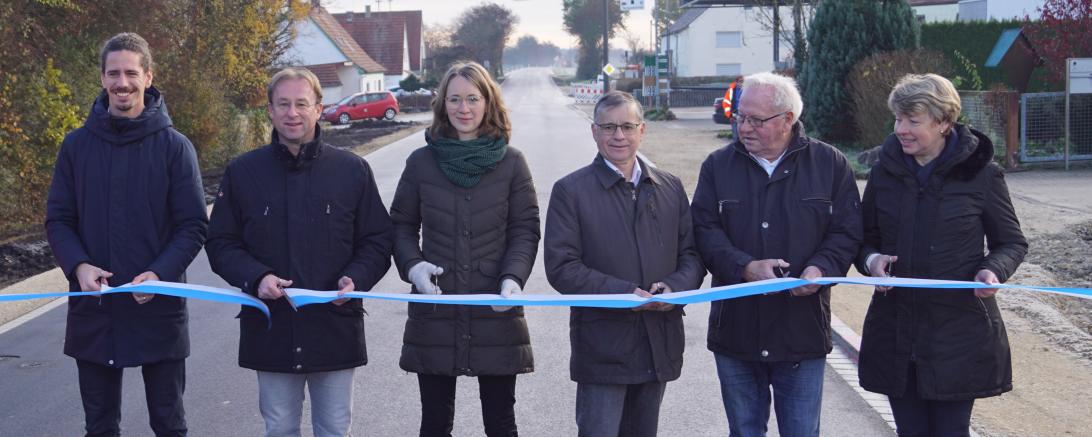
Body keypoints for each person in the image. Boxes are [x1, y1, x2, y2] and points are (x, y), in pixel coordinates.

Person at [205, 67, 393, 437]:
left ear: (319, 108)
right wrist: (256, 278)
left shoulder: (352, 170)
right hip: (271, 328)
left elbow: (377, 239)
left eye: (301, 104)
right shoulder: (243, 172)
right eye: (283, 104)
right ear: (270, 111)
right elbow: (221, 243)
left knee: (335, 429)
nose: (293, 113)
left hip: (335, 327)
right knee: (279, 428)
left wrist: (357, 278)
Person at [45, 32, 208, 437]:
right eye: (113, 73)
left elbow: (192, 225)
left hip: (159, 309)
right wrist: (79, 266)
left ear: (148, 77)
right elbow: (59, 219)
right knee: (99, 426)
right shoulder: (76, 147)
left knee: (169, 424)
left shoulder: (175, 147)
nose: (123, 83)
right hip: (95, 310)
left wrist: (160, 273)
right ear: (102, 78)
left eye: (131, 73)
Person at [691, 72, 863, 437]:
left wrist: (821, 269)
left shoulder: (829, 165)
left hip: (800, 332)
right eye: (740, 117)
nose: (745, 127)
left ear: (788, 119)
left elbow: (847, 232)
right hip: (736, 331)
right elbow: (704, 232)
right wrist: (746, 267)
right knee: (744, 431)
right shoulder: (717, 167)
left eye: (756, 119)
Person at [856, 73, 1028, 437]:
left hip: (958, 335)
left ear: (944, 122)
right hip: (895, 333)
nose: (900, 129)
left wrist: (992, 271)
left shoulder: (983, 175)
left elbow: (1011, 242)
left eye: (912, 121)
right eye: (897, 119)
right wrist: (872, 262)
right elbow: (863, 238)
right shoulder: (883, 173)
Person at [390, 61, 540, 437]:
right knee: (435, 423)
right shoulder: (421, 162)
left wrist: (512, 278)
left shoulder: (512, 163)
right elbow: (401, 226)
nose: (464, 108)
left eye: (473, 98)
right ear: (443, 104)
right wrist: (413, 267)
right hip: (436, 308)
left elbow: (525, 230)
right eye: (454, 98)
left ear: (488, 102)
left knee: (501, 422)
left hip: (496, 308)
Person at [544, 90, 704, 437]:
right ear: (594, 132)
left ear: (642, 131)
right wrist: (623, 293)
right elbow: (561, 266)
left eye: (628, 126)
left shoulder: (670, 187)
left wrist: (674, 288)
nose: (619, 135)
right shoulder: (570, 191)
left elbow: (691, 255)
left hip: (658, 341)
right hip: (603, 347)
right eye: (609, 127)